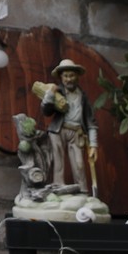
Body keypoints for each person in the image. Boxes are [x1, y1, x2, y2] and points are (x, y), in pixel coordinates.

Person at [37, 58, 98, 192]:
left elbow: (90, 121)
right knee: (58, 160)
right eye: (65, 76)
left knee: (79, 164)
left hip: (76, 133)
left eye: (72, 75)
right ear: (61, 77)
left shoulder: (83, 96)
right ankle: (58, 186)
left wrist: (93, 144)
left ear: (77, 76)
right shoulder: (57, 92)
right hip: (58, 130)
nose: (69, 79)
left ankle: (82, 191)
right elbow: (46, 112)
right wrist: (50, 94)